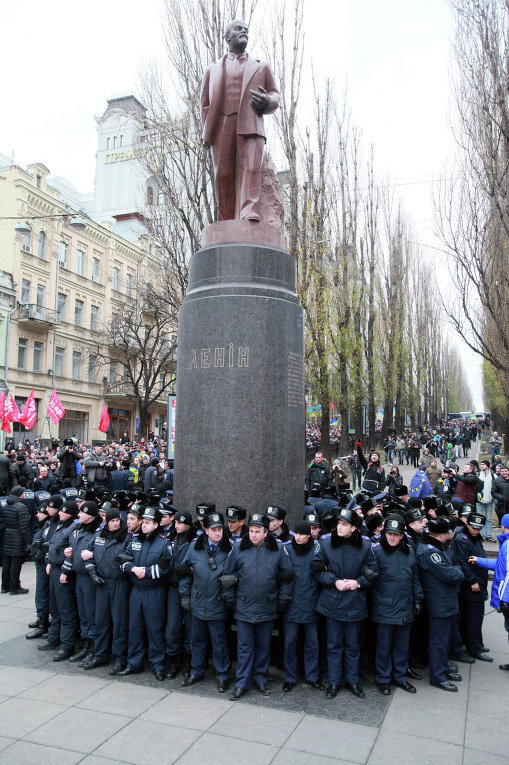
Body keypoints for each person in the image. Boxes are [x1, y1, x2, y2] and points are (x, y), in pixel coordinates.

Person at [200, 19, 280, 221]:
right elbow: (204, 104)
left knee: (251, 169)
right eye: (238, 28)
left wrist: (267, 101)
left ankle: (248, 211)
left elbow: (275, 95)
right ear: (227, 37)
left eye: (246, 29)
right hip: (223, 126)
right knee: (223, 174)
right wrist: (207, 133)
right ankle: (225, 218)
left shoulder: (262, 67)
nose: (244, 31)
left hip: (251, 124)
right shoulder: (212, 69)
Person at [222, 512, 293, 699]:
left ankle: (260, 678)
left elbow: (287, 576)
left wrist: (283, 599)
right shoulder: (238, 548)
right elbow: (227, 576)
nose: (253, 535)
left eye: (257, 531)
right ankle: (242, 683)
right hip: (244, 606)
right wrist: (229, 598)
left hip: (267, 606)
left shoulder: (277, 549)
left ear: (266, 533)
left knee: (263, 646)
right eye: (251, 531)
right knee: (244, 647)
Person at [311, 507, 378, 699]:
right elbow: (316, 569)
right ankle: (334, 681)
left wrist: (358, 582)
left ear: (354, 528)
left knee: (353, 645)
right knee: (333, 645)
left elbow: (374, 573)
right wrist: (334, 581)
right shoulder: (326, 543)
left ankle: (352, 680)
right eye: (339, 524)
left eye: (344, 525)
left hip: (355, 602)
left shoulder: (365, 546)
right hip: (332, 602)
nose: (339, 528)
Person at [118, 505, 174, 680]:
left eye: (148, 523)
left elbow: (165, 569)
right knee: (134, 627)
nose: (144, 525)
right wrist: (134, 569)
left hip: (154, 592)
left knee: (155, 629)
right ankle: (133, 663)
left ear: (156, 525)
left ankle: (158, 665)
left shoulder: (164, 544)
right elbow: (121, 561)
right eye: (143, 522)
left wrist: (146, 572)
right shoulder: (134, 541)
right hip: (136, 590)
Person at [179, 512, 232, 692]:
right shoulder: (195, 547)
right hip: (198, 603)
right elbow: (185, 572)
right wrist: (185, 595)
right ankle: (196, 670)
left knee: (219, 643)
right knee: (197, 640)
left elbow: (236, 572)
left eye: (220, 530)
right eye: (214, 530)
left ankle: (223, 675)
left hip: (218, 603)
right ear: (206, 530)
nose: (218, 533)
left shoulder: (229, 549)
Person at [371, 514, 423, 695]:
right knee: (384, 647)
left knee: (402, 646)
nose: (392, 537)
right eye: (389, 533)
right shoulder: (376, 551)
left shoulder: (409, 551)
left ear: (402, 535)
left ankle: (400, 677)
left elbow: (415, 577)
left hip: (404, 608)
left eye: (396, 534)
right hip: (384, 607)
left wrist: (418, 599)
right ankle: (383, 678)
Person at [416, 516, 465, 691]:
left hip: (446, 600)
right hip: (439, 602)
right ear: (443, 534)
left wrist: (455, 568)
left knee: (445, 640)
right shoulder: (430, 552)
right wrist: (458, 570)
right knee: (438, 641)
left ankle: (443, 668)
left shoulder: (437, 547)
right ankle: (437, 675)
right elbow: (451, 574)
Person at [81, 507, 130, 673]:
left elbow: (131, 559)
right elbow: (87, 557)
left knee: (119, 623)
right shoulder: (98, 537)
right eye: (112, 521)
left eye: (117, 520)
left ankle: (119, 658)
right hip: (102, 583)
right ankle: (99, 655)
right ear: (106, 522)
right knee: (101, 621)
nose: (116, 524)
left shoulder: (126, 538)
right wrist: (93, 574)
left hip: (119, 583)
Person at [281, 520, 322, 692]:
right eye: (296, 534)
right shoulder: (286, 549)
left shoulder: (317, 549)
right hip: (291, 604)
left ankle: (312, 675)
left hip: (311, 603)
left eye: (302, 534)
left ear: (309, 535)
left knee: (312, 643)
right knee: (290, 643)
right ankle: (290, 677)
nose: (297, 537)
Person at [60, 501, 102, 667]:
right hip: (78, 576)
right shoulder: (79, 529)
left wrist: (91, 554)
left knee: (91, 615)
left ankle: (92, 648)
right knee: (83, 614)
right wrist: (68, 554)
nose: (78, 515)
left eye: (82, 513)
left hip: (89, 579)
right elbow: (73, 549)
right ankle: (85, 645)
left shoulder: (97, 533)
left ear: (90, 515)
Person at [470, 513, 509, 672]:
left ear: (503, 526)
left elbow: (506, 573)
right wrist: (479, 560)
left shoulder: (507, 545)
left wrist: (503, 600)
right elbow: (500, 565)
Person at [451, 512, 491, 661]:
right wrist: (472, 580)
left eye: (479, 528)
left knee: (474, 617)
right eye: (474, 527)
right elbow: (462, 562)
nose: (476, 531)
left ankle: (474, 643)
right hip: (472, 584)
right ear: (467, 524)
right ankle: (475, 647)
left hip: (478, 580)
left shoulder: (473, 537)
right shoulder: (463, 539)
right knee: (474, 617)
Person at [1, 486, 32, 595]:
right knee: (16, 563)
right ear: (20, 494)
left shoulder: (6, 506)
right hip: (17, 537)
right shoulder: (21, 507)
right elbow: (24, 527)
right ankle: (15, 587)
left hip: (8, 535)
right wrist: (28, 542)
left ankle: (5, 586)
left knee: (7, 561)